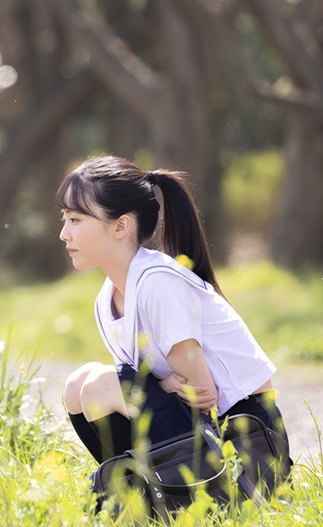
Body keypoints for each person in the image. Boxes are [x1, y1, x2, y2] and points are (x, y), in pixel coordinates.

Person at [58, 156, 290, 506]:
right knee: (79, 384)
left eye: (76, 219)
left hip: (247, 447)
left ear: (121, 226)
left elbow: (203, 397)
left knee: (101, 385)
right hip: (203, 436)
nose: (64, 233)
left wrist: (161, 385)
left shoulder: (158, 282)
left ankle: (178, 502)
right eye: (64, 218)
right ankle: (140, 499)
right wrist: (163, 384)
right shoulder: (108, 298)